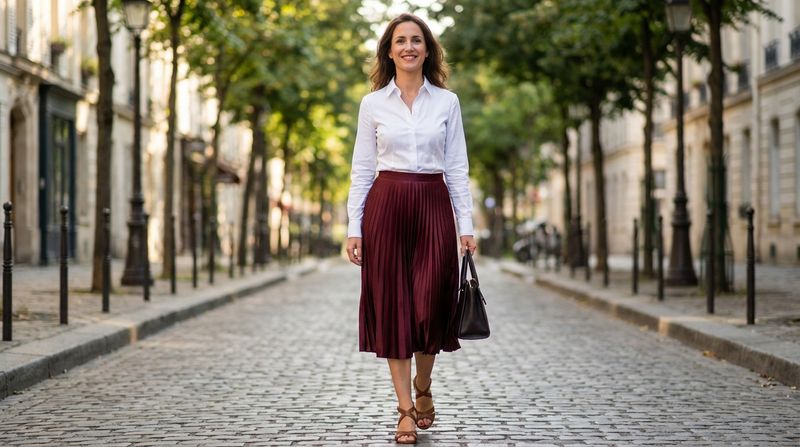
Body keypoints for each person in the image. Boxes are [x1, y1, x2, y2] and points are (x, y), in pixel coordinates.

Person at [345, 13, 477, 445]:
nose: (408, 47)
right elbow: (362, 169)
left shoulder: (447, 102)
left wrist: (466, 224)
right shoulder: (372, 104)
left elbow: (457, 166)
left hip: (433, 204)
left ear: (427, 49)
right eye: (399, 40)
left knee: (429, 306)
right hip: (386, 206)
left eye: (416, 40)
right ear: (389, 50)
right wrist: (355, 226)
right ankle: (404, 410)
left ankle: (423, 387)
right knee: (395, 310)